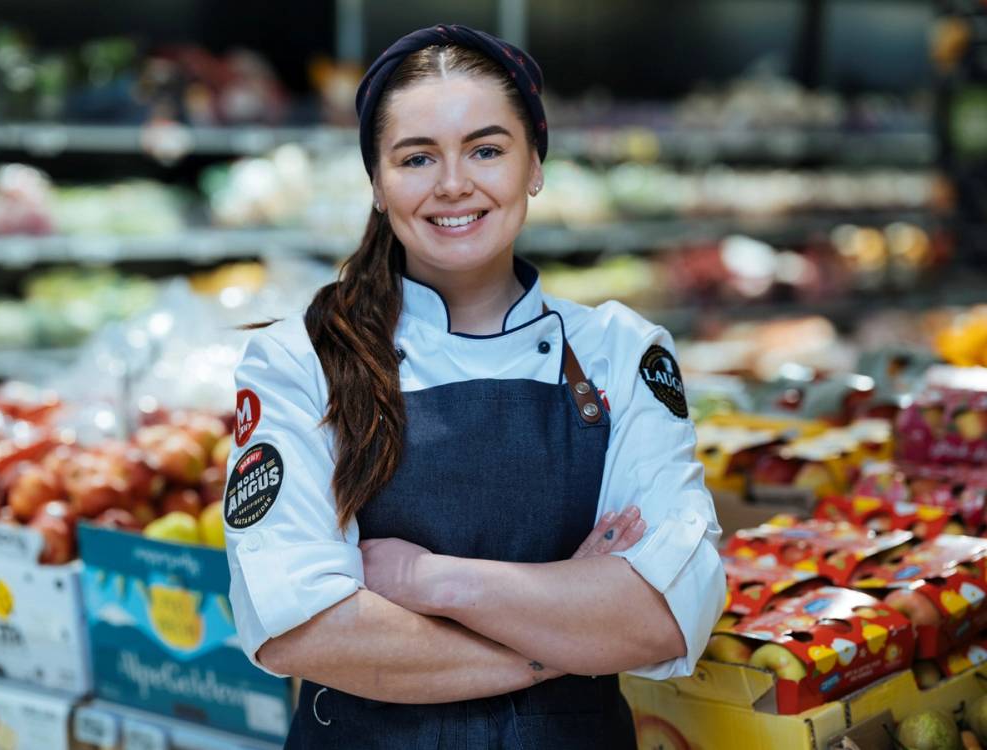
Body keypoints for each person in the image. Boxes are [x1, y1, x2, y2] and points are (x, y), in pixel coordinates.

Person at [223, 23, 726, 749]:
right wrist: (565, 635)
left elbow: (664, 615)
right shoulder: (298, 359)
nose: (454, 183)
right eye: (417, 157)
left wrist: (432, 582)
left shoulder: (622, 353)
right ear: (376, 182)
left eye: (487, 150)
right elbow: (304, 629)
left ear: (534, 167)